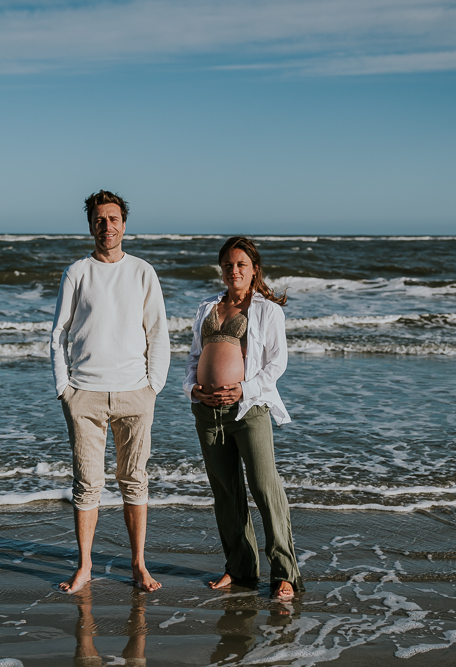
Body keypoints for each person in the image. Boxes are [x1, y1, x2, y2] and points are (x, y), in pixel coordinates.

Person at [51, 190, 170, 593]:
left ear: (124, 224)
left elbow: (158, 332)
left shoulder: (142, 272)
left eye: (114, 218)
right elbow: (58, 334)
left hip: (135, 393)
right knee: (87, 484)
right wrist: (63, 388)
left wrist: (154, 386)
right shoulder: (77, 272)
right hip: (84, 394)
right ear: (90, 225)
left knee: (134, 480)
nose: (107, 226)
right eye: (100, 219)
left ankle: (138, 565)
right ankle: (84, 567)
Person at [183, 236, 303, 600]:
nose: (233, 271)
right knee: (225, 492)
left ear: (254, 270)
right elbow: (192, 358)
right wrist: (193, 389)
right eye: (228, 265)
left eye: (241, 265)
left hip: (249, 410)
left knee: (266, 488)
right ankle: (240, 570)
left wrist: (243, 390)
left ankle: (285, 574)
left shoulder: (267, 309)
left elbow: (276, 364)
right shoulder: (207, 308)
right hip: (207, 412)